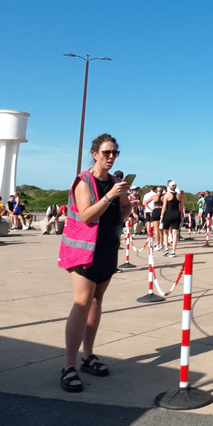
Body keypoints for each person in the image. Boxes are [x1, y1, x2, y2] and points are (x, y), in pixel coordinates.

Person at [59, 133, 130, 393]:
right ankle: (68, 365)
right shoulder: (84, 181)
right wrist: (110, 196)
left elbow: (126, 209)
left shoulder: (114, 181)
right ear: (95, 154)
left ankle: (88, 355)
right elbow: (87, 215)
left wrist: (120, 216)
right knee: (81, 302)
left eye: (115, 153)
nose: (111, 157)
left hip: (107, 249)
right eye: (106, 152)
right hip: (82, 251)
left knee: (97, 301)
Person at [159, 181, 183, 257]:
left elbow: (164, 207)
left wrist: (161, 216)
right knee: (175, 233)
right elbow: (181, 207)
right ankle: (173, 251)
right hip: (176, 213)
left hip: (168, 214)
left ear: (169, 187)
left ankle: (166, 248)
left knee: (165, 232)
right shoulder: (179, 196)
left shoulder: (167, 195)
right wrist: (181, 215)